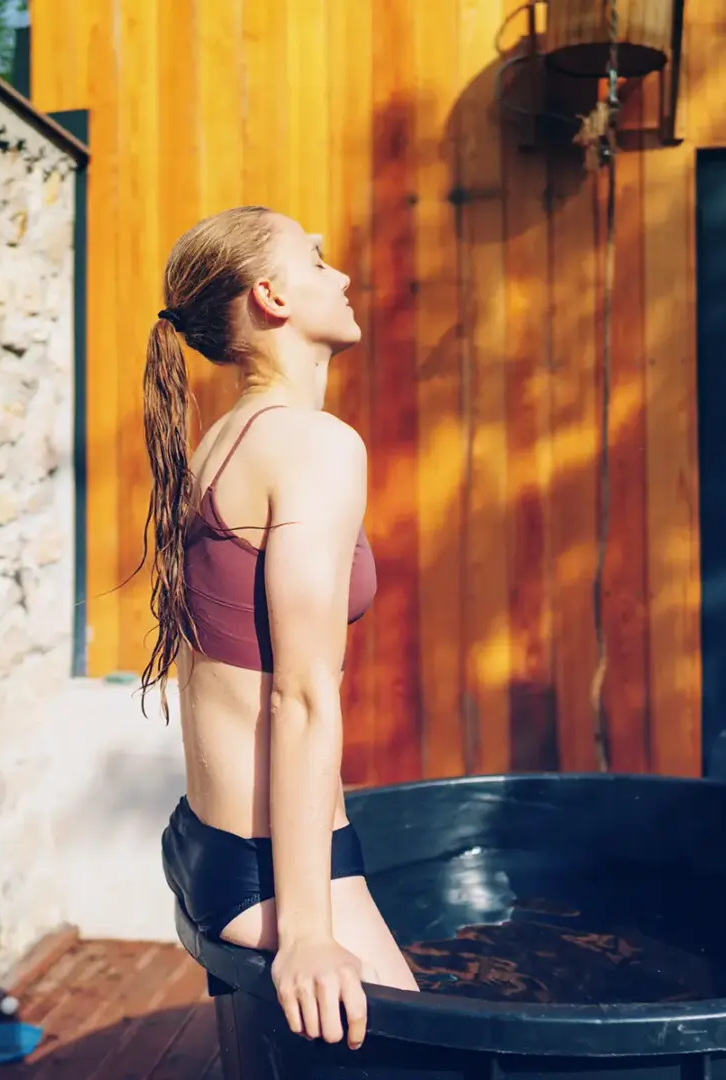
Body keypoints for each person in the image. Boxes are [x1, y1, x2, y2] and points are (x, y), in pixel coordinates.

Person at [142, 206, 419, 1052]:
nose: (340, 275)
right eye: (318, 260)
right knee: (439, 1055)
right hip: (277, 867)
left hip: (220, 841)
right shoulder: (310, 444)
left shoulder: (224, 439)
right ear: (272, 295)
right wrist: (307, 931)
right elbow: (298, 696)